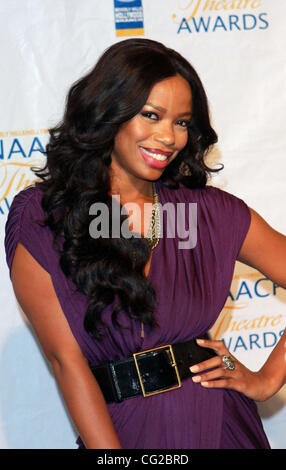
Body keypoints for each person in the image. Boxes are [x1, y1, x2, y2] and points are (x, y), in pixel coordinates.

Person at [5, 37, 280, 449]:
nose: (168, 137)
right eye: (151, 115)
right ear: (109, 112)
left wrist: (267, 380)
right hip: (124, 431)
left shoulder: (209, 214)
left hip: (222, 425)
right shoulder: (46, 217)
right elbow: (67, 362)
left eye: (182, 122)